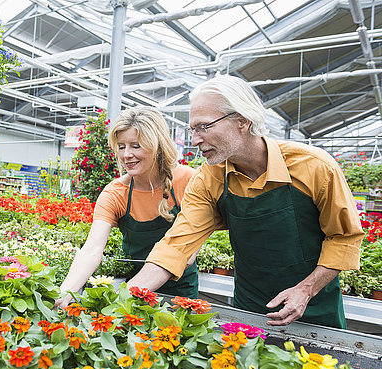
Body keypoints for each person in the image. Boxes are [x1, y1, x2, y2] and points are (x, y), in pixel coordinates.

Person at [128, 74, 364, 329]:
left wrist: (306, 290)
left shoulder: (314, 167)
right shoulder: (209, 180)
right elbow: (176, 246)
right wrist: (123, 298)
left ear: (242, 120)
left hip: (317, 311)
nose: (195, 140)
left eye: (203, 127)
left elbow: (343, 238)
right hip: (250, 309)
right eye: (192, 129)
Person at [54, 106, 199, 309]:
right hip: (134, 294)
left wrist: (121, 298)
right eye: (121, 146)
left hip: (179, 296)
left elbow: (187, 254)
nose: (126, 154)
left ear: (157, 145)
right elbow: (92, 250)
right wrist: (65, 292)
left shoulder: (189, 181)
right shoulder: (115, 193)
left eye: (136, 146)